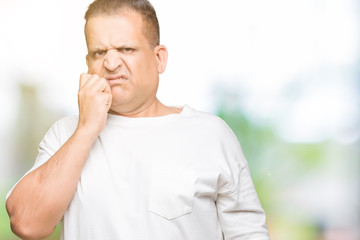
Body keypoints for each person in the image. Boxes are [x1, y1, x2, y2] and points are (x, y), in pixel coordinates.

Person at [6, 0, 270, 239]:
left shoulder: (211, 135)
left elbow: (248, 234)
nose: (110, 63)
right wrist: (86, 129)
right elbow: (26, 225)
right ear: (87, 62)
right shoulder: (66, 134)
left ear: (159, 58)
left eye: (126, 49)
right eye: (99, 52)